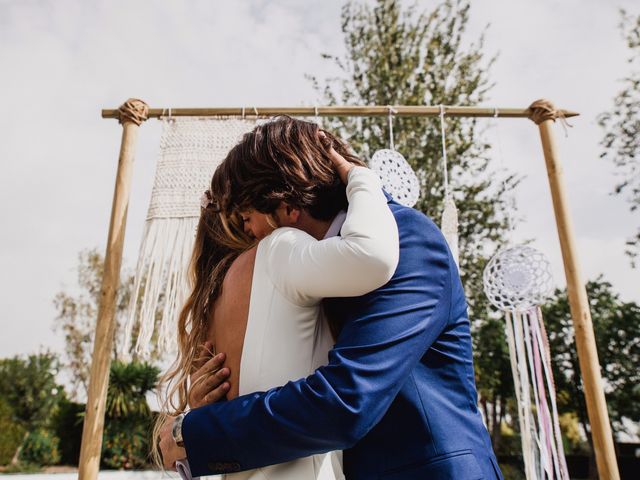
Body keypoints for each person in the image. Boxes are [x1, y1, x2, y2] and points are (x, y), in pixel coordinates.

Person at [160, 116, 504, 479]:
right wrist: (215, 402)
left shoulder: (407, 239)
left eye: (248, 218)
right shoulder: (313, 267)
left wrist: (194, 432)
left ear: (287, 207)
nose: (250, 235)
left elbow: (347, 401)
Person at [155, 117, 399, 479]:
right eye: (245, 218)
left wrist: (191, 423)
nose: (252, 228)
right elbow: (372, 256)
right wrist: (361, 178)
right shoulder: (278, 250)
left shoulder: (212, 305)